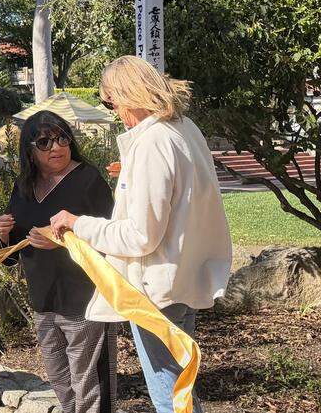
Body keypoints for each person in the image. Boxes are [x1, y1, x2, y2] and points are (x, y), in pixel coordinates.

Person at [49, 56, 232, 413]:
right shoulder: (185, 128)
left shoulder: (153, 141)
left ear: (127, 95)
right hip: (185, 275)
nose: (113, 111)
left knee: (170, 398)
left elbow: (139, 236)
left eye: (110, 101)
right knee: (181, 389)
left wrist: (77, 223)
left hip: (155, 289)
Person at [0, 111, 117, 413]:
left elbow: (111, 240)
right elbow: (11, 256)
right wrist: (1, 235)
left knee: (91, 391)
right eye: (45, 142)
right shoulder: (24, 187)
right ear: (30, 152)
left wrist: (59, 242)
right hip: (44, 303)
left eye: (62, 138)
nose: (56, 147)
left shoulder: (88, 180)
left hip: (86, 303)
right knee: (62, 384)